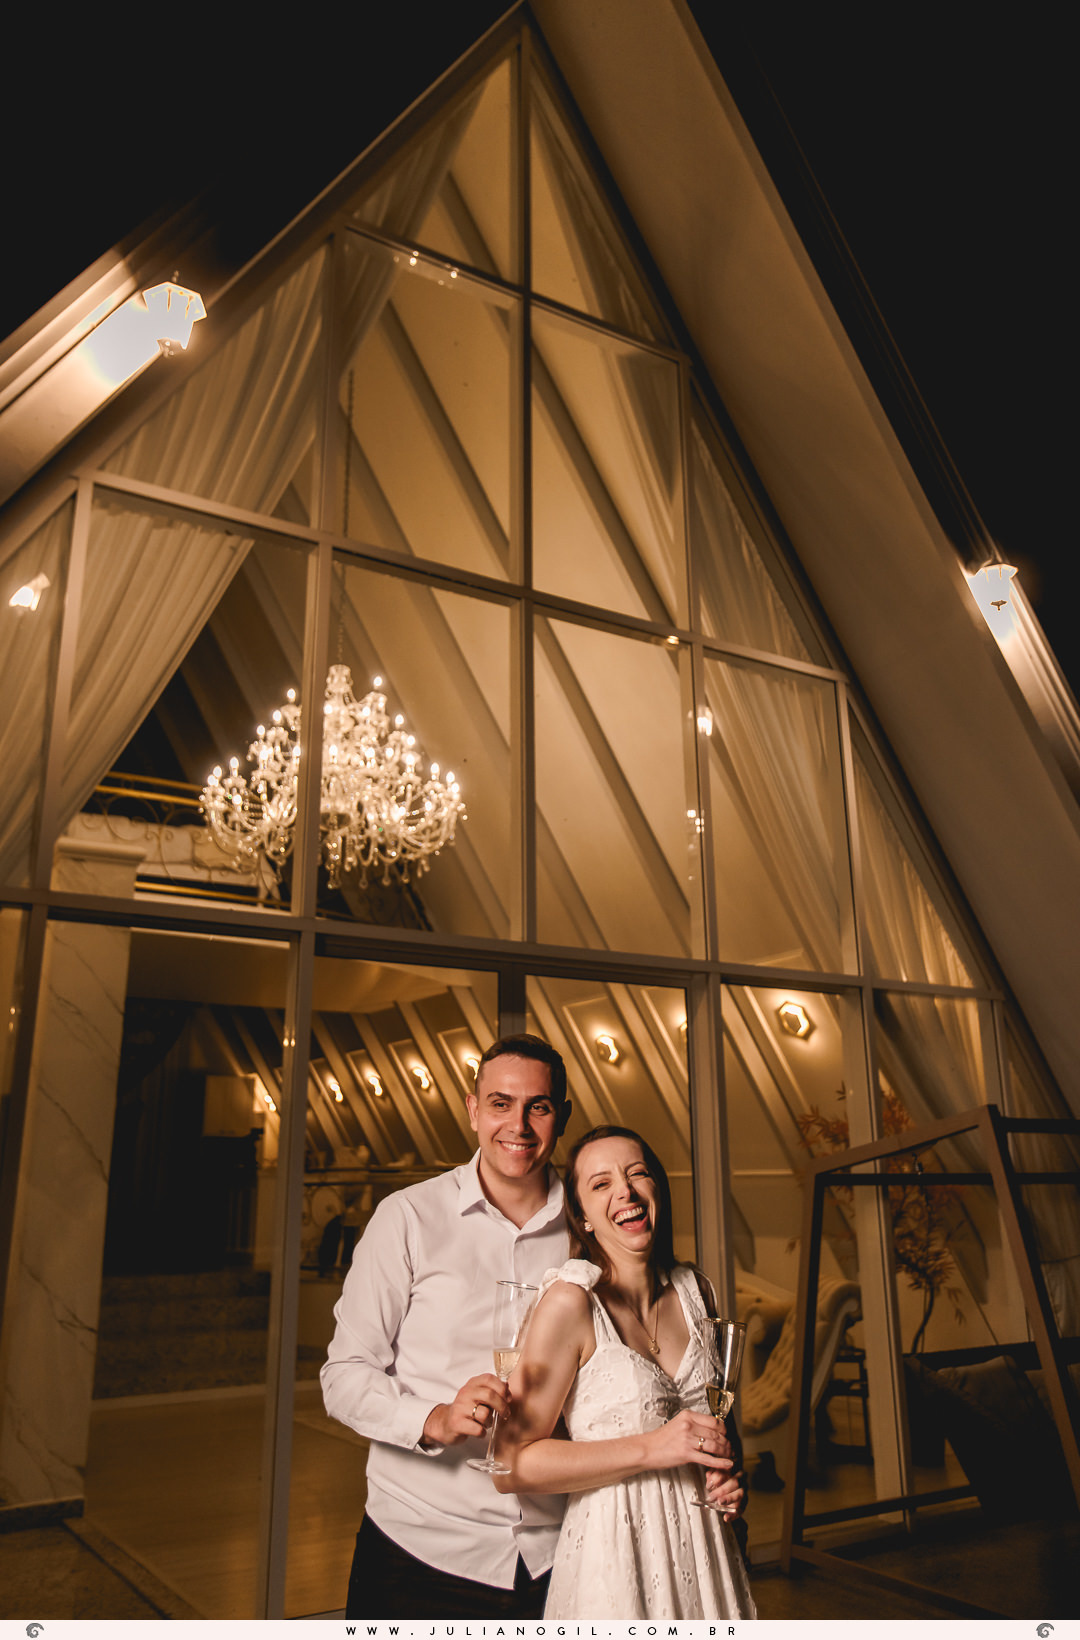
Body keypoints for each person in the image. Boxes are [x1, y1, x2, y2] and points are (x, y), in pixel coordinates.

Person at [320, 1033, 572, 1619]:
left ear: (561, 1115)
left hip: (560, 1553)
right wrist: (433, 1419)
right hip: (420, 1550)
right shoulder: (407, 1217)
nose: (519, 1124)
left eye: (538, 1105)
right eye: (500, 1103)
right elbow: (344, 1376)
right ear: (473, 1110)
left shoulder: (590, 1230)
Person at [493, 1124, 756, 1620]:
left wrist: (731, 1482)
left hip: (706, 1554)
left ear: (658, 1189)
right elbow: (509, 1466)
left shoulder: (698, 1292)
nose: (625, 1192)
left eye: (638, 1174)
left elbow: (722, 1435)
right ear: (584, 1218)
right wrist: (652, 1448)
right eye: (601, 1184)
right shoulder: (570, 1302)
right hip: (615, 1556)